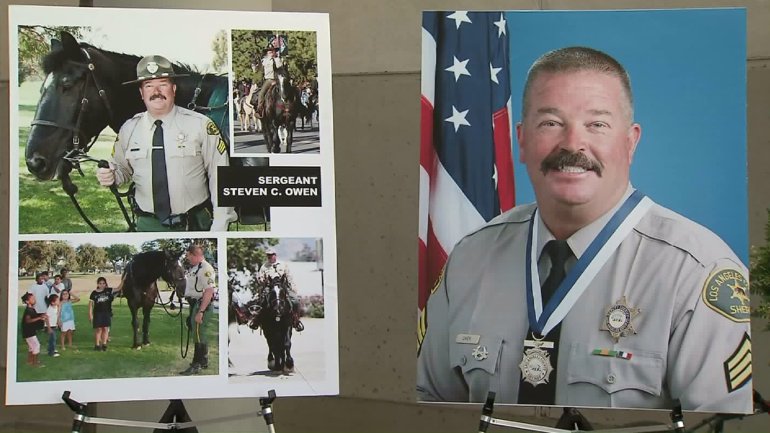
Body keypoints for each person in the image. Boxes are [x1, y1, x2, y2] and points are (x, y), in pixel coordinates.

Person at [416, 47, 753, 413]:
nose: (573, 144)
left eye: (597, 124)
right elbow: (430, 410)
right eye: (550, 123)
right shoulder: (470, 259)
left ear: (631, 141)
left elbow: (720, 426)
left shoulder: (694, 271)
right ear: (522, 140)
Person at [95, 55, 236, 231]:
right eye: (148, 86)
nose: (156, 92)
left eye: (163, 84)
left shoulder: (200, 124)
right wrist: (111, 175)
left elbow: (220, 174)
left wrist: (221, 221)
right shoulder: (128, 129)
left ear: (174, 88)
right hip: (147, 225)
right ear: (141, 93)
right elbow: (122, 169)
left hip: (195, 224)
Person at [180, 244, 216, 375]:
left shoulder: (206, 268)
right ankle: (204, 360)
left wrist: (201, 311)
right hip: (194, 303)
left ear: (194, 255)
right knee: (198, 332)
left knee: (198, 334)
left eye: (188, 255)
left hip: (201, 304)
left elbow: (209, 291)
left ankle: (197, 363)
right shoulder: (195, 268)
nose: (187, 258)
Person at [257, 248, 304, 331]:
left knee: (295, 300)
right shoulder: (264, 266)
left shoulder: (283, 264)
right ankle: (257, 321)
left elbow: (289, 277)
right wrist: (261, 280)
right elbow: (260, 277)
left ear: (275, 255)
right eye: (268, 255)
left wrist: (293, 288)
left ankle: (295, 320)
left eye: (271, 255)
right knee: (259, 301)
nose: (269, 256)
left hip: (283, 287)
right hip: (269, 287)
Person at [255, 46, 284, 117]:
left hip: (277, 80)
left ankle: (288, 108)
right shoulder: (264, 61)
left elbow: (281, 70)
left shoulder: (278, 60)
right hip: (268, 80)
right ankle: (260, 109)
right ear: (267, 53)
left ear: (274, 52)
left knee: (284, 92)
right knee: (261, 93)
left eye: (272, 51)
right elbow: (260, 70)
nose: (270, 52)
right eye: (269, 51)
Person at [21, 293, 46, 367]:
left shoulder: (31, 309)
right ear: (27, 301)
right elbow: (28, 320)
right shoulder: (29, 310)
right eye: (32, 299)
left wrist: (40, 316)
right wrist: (39, 318)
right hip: (29, 332)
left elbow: (34, 317)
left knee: (31, 347)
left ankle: (29, 361)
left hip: (28, 331)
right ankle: (35, 363)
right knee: (36, 346)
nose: (34, 300)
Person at [89, 277, 114, 351]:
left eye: (103, 283)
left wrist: (123, 280)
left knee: (105, 328)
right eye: (100, 283)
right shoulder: (94, 293)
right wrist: (90, 314)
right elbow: (90, 305)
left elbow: (119, 288)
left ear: (105, 284)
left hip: (107, 313)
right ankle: (97, 345)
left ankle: (104, 344)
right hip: (98, 313)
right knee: (98, 329)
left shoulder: (108, 291)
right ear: (98, 284)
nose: (102, 285)